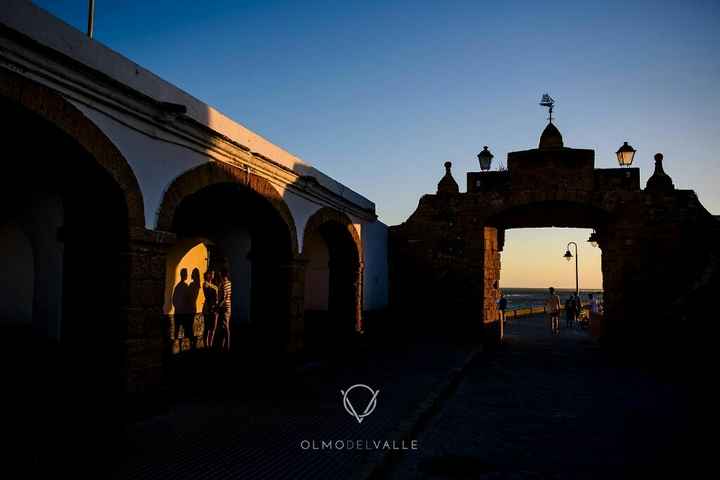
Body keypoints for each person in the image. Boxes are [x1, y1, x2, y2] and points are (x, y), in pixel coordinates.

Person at [216, 268, 232, 352]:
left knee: (225, 327)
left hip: (224, 308)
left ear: (222, 275)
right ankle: (223, 346)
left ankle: (227, 346)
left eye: (220, 274)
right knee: (224, 327)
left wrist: (218, 306)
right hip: (228, 307)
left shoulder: (224, 283)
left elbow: (224, 298)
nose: (219, 275)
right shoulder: (229, 283)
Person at [202, 270, 218, 349]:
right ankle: (206, 345)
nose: (212, 274)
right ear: (207, 275)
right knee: (207, 327)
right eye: (211, 273)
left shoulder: (213, 285)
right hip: (208, 307)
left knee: (213, 327)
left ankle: (210, 344)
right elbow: (207, 294)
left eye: (213, 273)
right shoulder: (205, 284)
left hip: (215, 307)